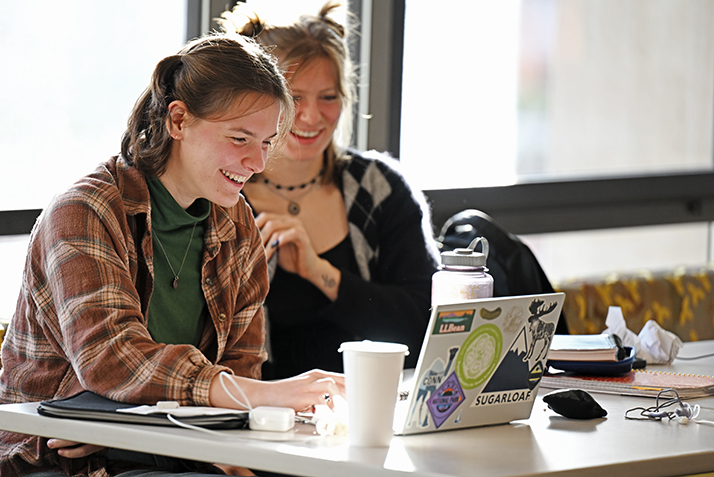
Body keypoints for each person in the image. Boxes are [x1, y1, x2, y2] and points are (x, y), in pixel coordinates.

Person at [0, 32, 344, 477]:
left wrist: (137, 419)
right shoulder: (85, 211)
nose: (257, 163)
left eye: (266, 142)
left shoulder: (236, 223)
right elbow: (111, 360)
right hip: (52, 457)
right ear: (178, 121)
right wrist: (259, 397)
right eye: (240, 138)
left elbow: (240, 368)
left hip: (162, 444)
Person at [218, 1, 440, 381]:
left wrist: (322, 273)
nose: (311, 116)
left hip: (367, 404)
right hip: (253, 412)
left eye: (329, 97)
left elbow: (428, 326)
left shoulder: (380, 189)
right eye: (294, 96)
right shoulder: (218, 192)